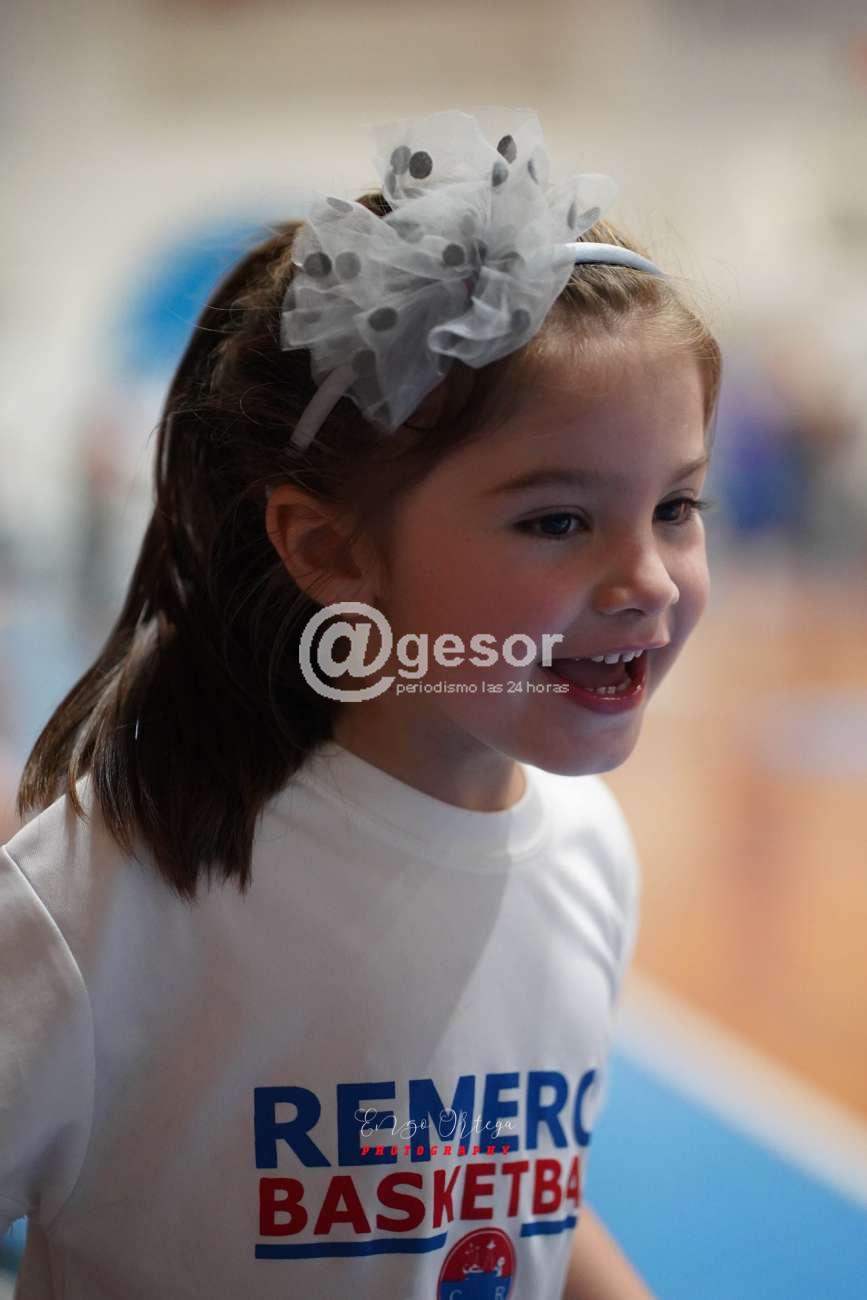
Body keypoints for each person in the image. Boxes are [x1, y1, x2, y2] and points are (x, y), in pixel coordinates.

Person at [0, 108, 720, 1299]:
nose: (647, 579)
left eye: (676, 507)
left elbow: (482, 1187)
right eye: (557, 519)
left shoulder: (590, 850)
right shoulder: (117, 888)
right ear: (332, 548)